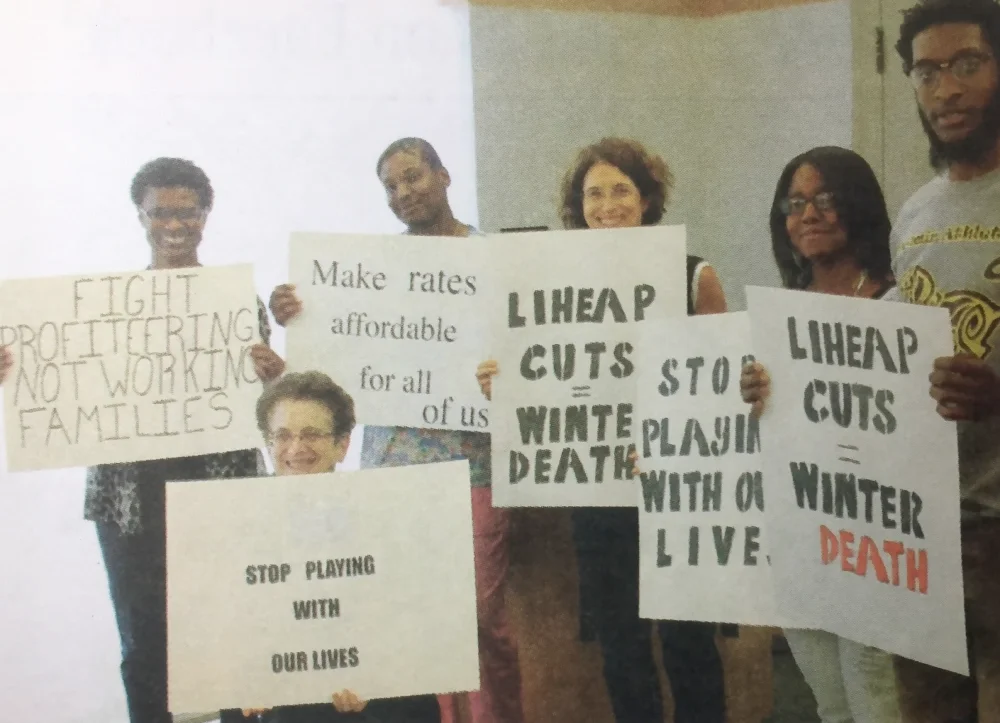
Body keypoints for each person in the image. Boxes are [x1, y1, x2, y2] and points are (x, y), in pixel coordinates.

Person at [0, 158, 287, 723]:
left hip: (220, 494)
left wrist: (275, 375)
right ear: (140, 215)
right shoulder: (96, 310)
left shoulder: (236, 300)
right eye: (161, 213)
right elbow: (53, 378)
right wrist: (12, 370)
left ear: (207, 214)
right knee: (144, 648)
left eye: (187, 212)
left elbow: (263, 407)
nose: (174, 225)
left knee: (232, 638)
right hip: (128, 501)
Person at [269, 138, 525, 723]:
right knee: (408, 621)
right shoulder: (367, 272)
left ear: (444, 175)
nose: (403, 192)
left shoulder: (496, 258)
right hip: (389, 476)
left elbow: (528, 352)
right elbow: (326, 363)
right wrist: (295, 314)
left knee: (481, 622)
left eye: (413, 177)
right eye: (390, 185)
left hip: (475, 469)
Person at [477, 137, 728, 723]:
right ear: (577, 205)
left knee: (691, 641)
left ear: (647, 198)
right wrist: (504, 383)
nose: (608, 204)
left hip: (676, 486)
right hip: (600, 487)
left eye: (621, 189)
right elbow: (536, 370)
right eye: (594, 193)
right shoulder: (548, 284)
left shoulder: (694, 274)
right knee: (621, 645)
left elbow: (718, 381)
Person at [739, 146, 901, 723]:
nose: (809, 213)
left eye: (826, 199)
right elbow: (765, 430)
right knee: (829, 701)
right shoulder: (779, 315)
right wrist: (753, 397)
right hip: (801, 534)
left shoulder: (899, 304)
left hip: (871, 536)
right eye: (796, 202)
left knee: (872, 685)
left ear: (857, 206)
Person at [885, 1, 1000, 720]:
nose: (946, 90)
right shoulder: (914, 213)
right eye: (927, 73)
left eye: (967, 65)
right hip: (925, 526)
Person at [222, 370, 441, 723]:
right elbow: (226, 629)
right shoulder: (232, 523)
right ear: (268, 443)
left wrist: (375, 679)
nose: (296, 449)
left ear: (342, 445)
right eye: (283, 436)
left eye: (311, 435)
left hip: (368, 695)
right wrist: (245, 678)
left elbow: (408, 629)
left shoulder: (386, 517)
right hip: (274, 693)